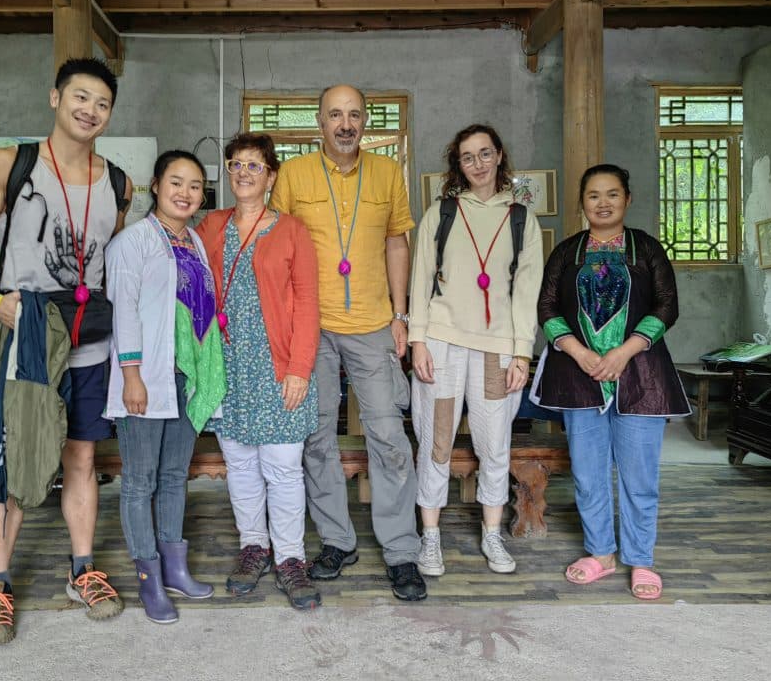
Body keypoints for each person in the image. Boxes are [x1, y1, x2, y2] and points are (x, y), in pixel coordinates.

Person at [0, 57, 129, 646]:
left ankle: (82, 570)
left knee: (82, 456)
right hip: (27, 331)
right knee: (12, 461)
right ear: (56, 98)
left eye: (102, 103)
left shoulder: (118, 182)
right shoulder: (11, 163)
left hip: (89, 336)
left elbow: (110, 261)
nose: (90, 110)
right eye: (80, 97)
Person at [270, 84, 426, 601]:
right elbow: (277, 247)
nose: (345, 124)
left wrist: (401, 315)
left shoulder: (387, 172)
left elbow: (396, 242)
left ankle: (401, 550)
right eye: (335, 115)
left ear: (365, 121)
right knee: (316, 438)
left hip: (374, 323)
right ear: (319, 122)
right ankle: (337, 540)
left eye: (354, 115)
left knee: (389, 438)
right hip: (309, 328)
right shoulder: (292, 175)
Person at [531, 164, 691, 601]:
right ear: (582, 202)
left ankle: (641, 560)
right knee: (588, 474)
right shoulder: (566, 252)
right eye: (594, 195)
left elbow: (667, 305)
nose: (603, 203)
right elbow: (547, 307)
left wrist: (624, 352)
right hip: (578, 377)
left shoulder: (648, 249)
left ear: (627, 199)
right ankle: (600, 554)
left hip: (640, 377)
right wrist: (579, 353)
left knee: (640, 477)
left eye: (612, 194)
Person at [408, 124, 542, 577]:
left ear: (499, 155)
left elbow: (526, 292)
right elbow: (420, 280)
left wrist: (522, 352)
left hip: (496, 349)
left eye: (485, 153)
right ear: (458, 164)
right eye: (468, 157)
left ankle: (492, 533)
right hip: (441, 343)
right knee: (435, 443)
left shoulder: (521, 218)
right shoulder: (442, 213)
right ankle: (430, 537)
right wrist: (418, 341)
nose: (478, 163)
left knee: (494, 444)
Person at [195, 132, 322, 610]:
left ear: (271, 177)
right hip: (227, 364)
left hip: (278, 365)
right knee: (241, 464)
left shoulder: (292, 230)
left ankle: (290, 557)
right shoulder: (212, 225)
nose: (243, 173)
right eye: (236, 164)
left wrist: (300, 368)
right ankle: (254, 546)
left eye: (254, 165)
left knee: (283, 467)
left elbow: (308, 302)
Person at [104, 150, 226, 624]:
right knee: (140, 482)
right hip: (145, 376)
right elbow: (124, 312)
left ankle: (175, 570)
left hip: (182, 377)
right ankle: (149, 580)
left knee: (175, 476)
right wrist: (132, 375)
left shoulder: (193, 241)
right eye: (176, 182)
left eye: (195, 186)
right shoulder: (132, 242)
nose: (185, 193)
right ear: (155, 186)